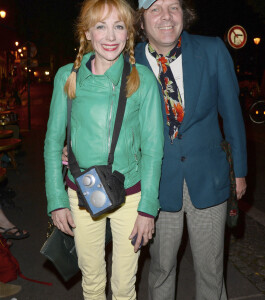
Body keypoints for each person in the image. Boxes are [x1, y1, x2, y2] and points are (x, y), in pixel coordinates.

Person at [63, 0, 247, 298]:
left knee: (212, 271)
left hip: (209, 177)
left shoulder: (212, 50)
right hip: (156, 184)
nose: (165, 16)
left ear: (184, 14)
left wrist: (239, 171)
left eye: (173, 7)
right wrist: (76, 151)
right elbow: (95, 109)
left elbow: (233, 115)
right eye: (155, 9)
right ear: (141, 20)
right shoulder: (124, 58)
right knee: (161, 269)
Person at [44, 0, 164, 299]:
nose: (110, 37)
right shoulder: (66, 77)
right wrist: (56, 200)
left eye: (119, 27)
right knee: (92, 280)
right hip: (81, 192)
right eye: (101, 27)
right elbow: (52, 142)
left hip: (130, 195)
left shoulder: (144, 80)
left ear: (129, 34)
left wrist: (148, 208)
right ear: (86, 33)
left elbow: (153, 149)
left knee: (125, 286)